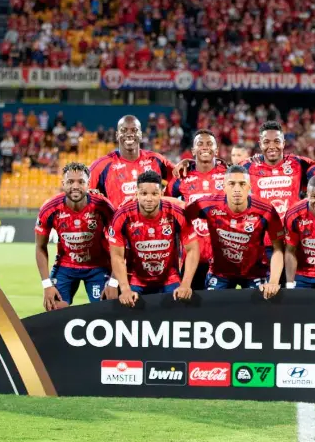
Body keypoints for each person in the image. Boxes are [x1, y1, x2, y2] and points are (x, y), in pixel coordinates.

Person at [185, 165, 283, 298]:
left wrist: (273, 282)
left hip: (254, 273)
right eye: (232, 184)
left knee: (262, 311)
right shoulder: (206, 204)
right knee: (211, 310)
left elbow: (278, 249)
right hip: (220, 273)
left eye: (242, 184)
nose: (237, 189)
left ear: (249, 186)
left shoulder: (266, 210)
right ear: (224, 186)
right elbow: (180, 215)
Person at [108, 171, 199, 307]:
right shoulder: (122, 216)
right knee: (130, 317)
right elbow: (117, 256)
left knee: (179, 313)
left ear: (161, 194)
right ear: (136, 194)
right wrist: (125, 289)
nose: (149, 199)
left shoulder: (176, 213)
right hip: (136, 279)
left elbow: (192, 249)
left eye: (154, 194)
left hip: (169, 278)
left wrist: (186, 284)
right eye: (144, 194)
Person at [35, 163, 117, 310]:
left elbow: (120, 244)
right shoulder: (50, 208)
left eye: (81, 182)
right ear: (63, 183)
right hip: (66, 266)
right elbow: (40, 247)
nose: (75, 186)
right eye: (70, 182)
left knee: (106, 310)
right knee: (53, 307)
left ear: (88, 184)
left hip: (98, 266)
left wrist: (113, 281)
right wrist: (46, 284)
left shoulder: (103, 206)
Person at [167, 130, 227, 290]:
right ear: (193, 150)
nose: (205, 147)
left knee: (219, 306)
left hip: (222, 255)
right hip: (192, 255)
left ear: (216, 149)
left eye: (209, 144)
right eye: (200, 144)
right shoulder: (181, 177)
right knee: (190, 308)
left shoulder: (229, 175)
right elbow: (165, 205)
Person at [89, 115, 178, 207]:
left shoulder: (156, 160)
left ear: (141, 134)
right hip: (117, 220)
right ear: (117, 135)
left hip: (151, 220)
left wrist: (165, 197)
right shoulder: (101, 165)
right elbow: (85, 195)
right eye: (123, 130)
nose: (129, 134)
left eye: (134, 130)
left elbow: (180, 179)